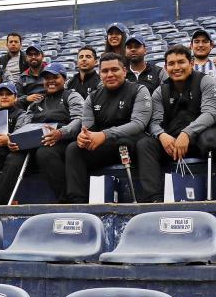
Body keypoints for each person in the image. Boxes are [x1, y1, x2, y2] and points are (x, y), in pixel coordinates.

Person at [137, 45, 216, 203]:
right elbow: (154, 122)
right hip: (172, 142)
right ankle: (153, 200)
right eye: (171, 63)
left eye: (181, 62)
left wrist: (187, 133)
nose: (176, 67)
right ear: (165, 67)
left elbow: (210, 113)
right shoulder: (160, 91)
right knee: (145, 144)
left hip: (198, 137)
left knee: (212, 138)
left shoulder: (205, 81)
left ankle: (214, 194)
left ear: (191, 63)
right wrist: (162, 135)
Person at [65, 53, 152, 204]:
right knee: (74, 148)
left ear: (124, 71)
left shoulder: (139, 90)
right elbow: (87, 128)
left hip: (132, 141)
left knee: (141, 143)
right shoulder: (92, 97)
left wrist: (104, 135)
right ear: (100, 74)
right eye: (105, 71)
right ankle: (77, 203)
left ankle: (150, 200)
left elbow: (138, 124)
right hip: (104, 144)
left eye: (114, 70)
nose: (110, 74)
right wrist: (83, 137)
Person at [0, 63, 84, 204]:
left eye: (55, 77)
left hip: (62, 140)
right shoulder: (37, 102)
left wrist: (60, 133)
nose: (50, 81)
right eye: (47, 78)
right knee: (14, 156)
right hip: (37, 140)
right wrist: (14, 139)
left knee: (45, 153)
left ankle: (65, 200)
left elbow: (79, 120)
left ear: (64, 79)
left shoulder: (71, 96)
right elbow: (24, 125)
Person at [16, 44, 47, 108]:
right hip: (31, 109)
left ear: (43, 56)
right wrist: (26, 99)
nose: (33, 57)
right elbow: (16, 100)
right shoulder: (22, 78)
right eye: (30, 55)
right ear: (26, 58)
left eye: (36, 54)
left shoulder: (51, 72)